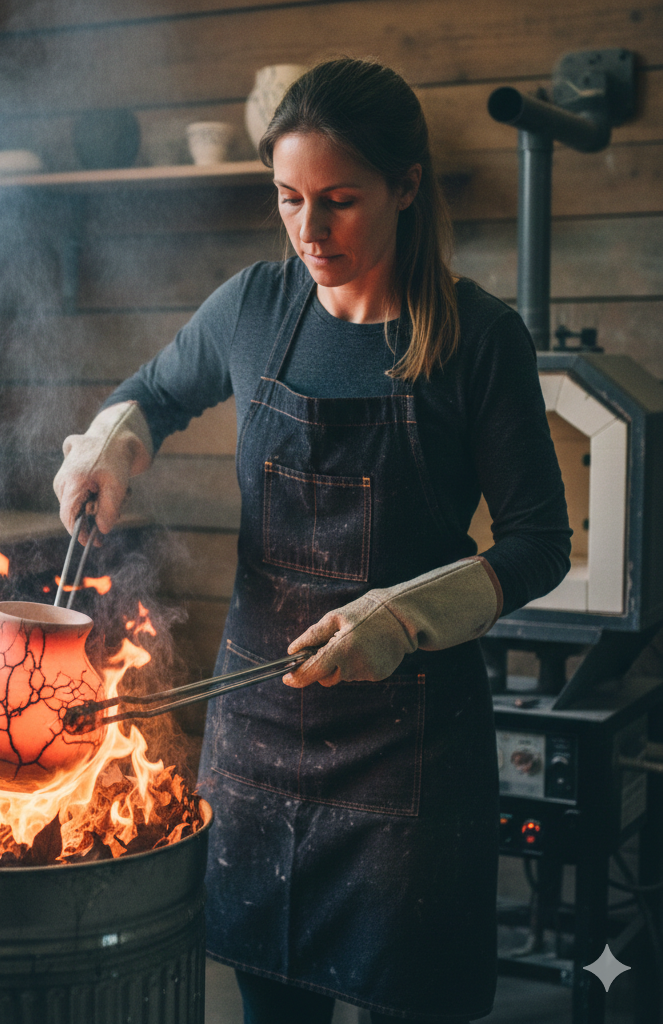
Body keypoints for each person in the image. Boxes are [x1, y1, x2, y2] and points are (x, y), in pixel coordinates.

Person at [53, 57, 570, 1024]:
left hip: (408, 751)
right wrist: (108, 453)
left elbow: (540, 543)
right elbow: (154, 397)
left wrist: (400, 615)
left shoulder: (477, 340)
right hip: (258, 745)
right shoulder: (254, 307)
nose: (309, 230)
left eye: (338, 200)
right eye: (288, 198)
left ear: (406, 186)